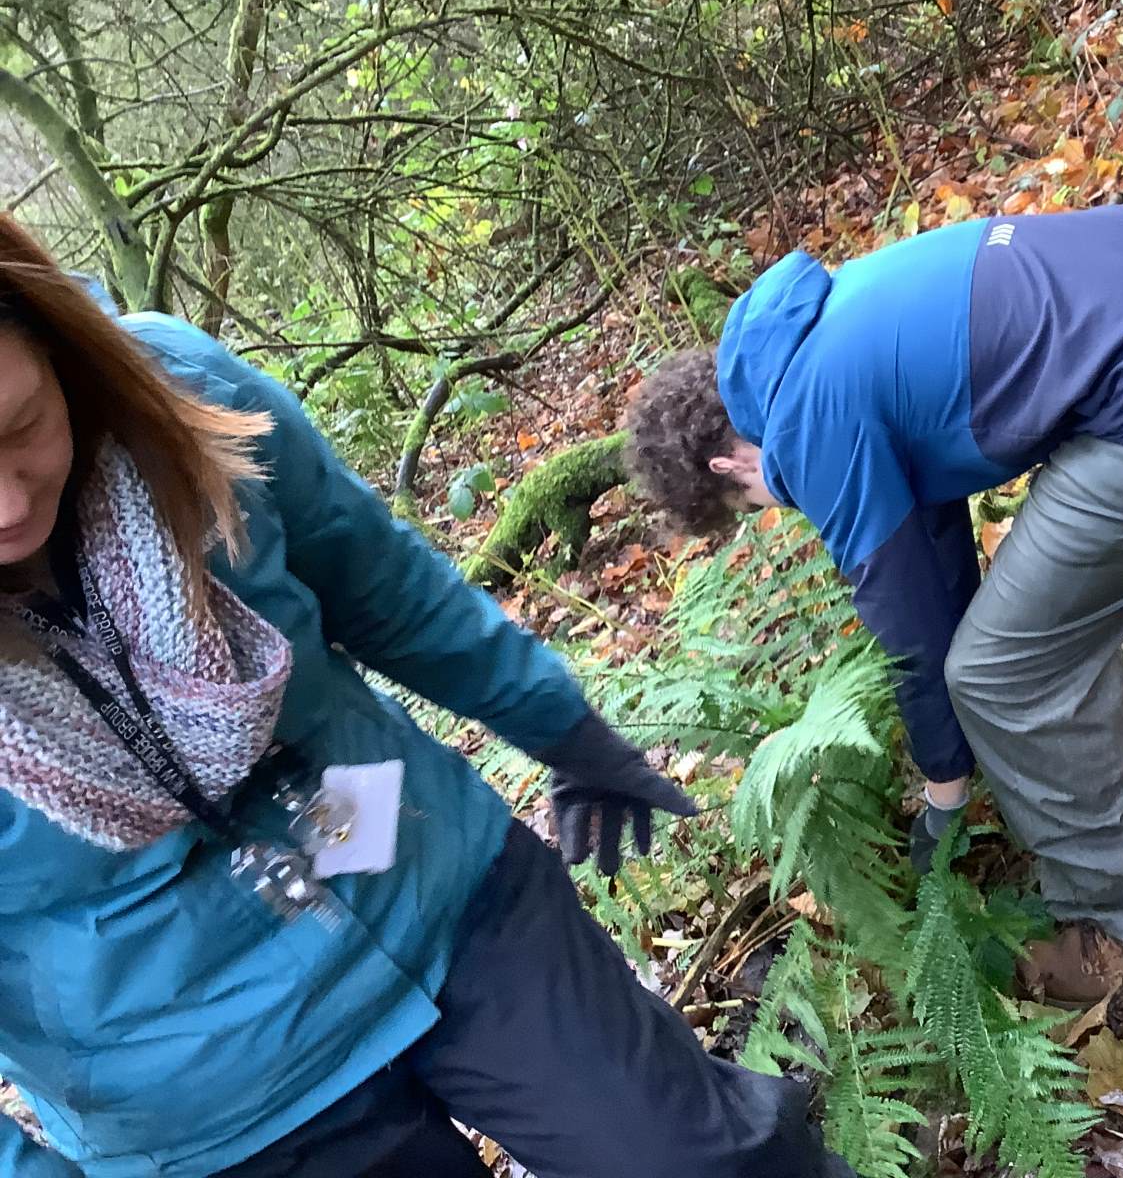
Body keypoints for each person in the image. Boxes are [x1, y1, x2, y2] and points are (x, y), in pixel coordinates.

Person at [0, 217, 850, 1178]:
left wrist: (561, 727)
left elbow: (378, 580)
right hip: (212, 1109)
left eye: (21, 426)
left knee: (699, 1161)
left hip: (433, 887)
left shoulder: (171, 392)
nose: (9, 504)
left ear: (59, 345)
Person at [622, 199, 1123, 1007]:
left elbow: (913, 633)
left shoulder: (805, 424)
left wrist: (944, 792)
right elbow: (932, 565)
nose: (776, 505)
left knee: (1001, 673)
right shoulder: (826, 324)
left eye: (750, 503)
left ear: (726, 467)